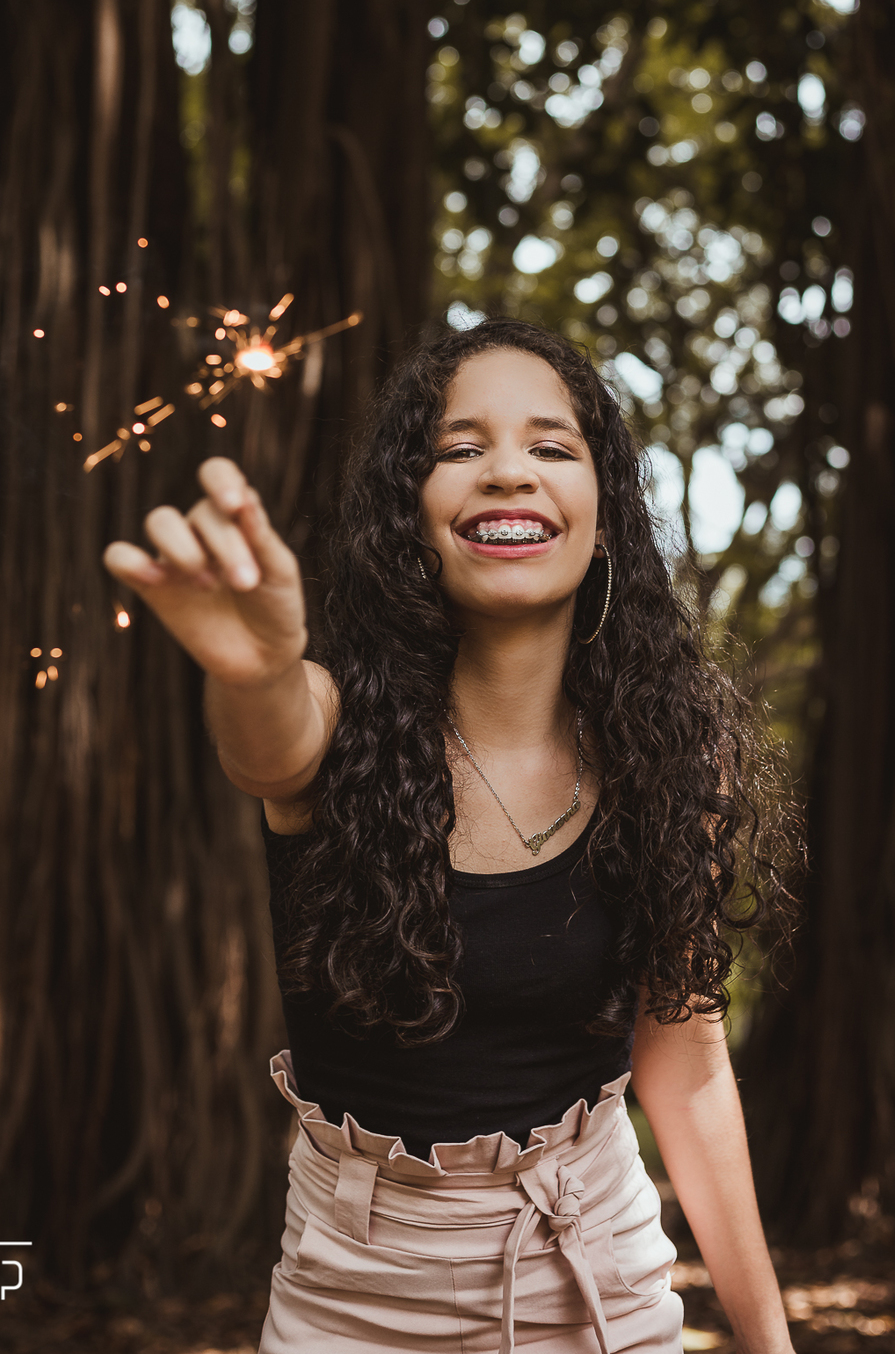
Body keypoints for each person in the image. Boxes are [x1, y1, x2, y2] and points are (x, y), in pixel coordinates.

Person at [104, 318, 795, 1354]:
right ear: (410, 517)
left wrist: (769, 1342)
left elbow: (686, 1064)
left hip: (597, 1279)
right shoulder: (334, 723)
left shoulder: (672, 758)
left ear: (603, 520)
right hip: (353, 1299)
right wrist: (252, 673)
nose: (507, 472)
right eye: (459, 450)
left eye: (551, 448)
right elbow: (267, 746)